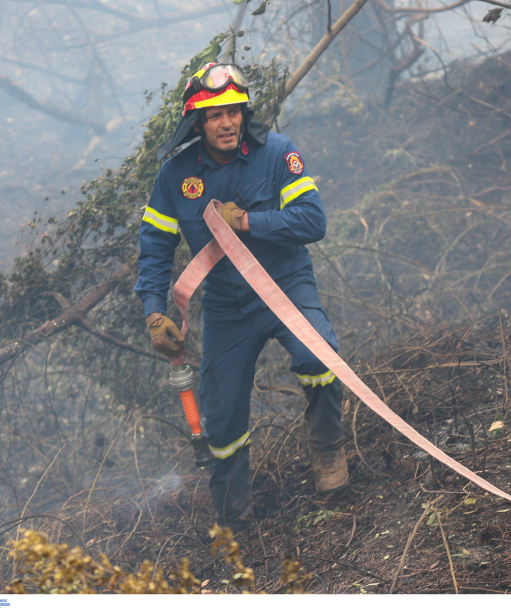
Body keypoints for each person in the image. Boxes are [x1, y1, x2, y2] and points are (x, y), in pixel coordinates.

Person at [134, 62, 348, 527]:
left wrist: (250, 222)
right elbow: (154, 249)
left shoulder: (277, 154)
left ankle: (329, 449)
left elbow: (314, 221)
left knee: (319, 356)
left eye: (233, 111)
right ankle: (235, 518)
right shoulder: (175, 177)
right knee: (222, 415)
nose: (226, 122)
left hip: (286, 285)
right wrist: (154, 314)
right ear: (197, 122)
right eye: (214, 115)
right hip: (229, 307)